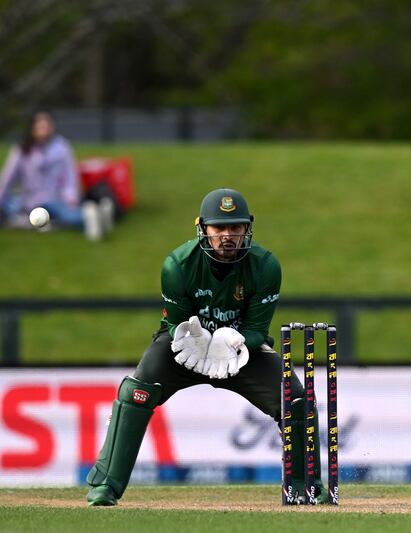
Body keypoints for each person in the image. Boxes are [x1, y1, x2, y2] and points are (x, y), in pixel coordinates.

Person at [85, 188, 328, 506]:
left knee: (295, 399)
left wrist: (236, 340)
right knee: (136, 392)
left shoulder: (266, 266)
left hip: (238, 351)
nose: (227, 236)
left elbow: (257, 330)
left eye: (235, 227)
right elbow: (174, 323)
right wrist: (190, 337)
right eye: (219, 228)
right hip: (186, 347)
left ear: (246, 229)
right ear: (203, 229)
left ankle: (305, 487)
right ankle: (106, 485)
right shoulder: (178, 265)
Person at [0, 111, 114, 241]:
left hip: (55, 197)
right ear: (32, 129)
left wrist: (71, 197)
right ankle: (95, 215)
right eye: (40, 127)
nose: (44, 130)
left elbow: (70, 175)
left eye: (46, 126)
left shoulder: (61, 147)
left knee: (65, 214)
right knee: (12, 206)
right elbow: (8, 178)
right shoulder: (22, 150)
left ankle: (93, 217)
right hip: (31, 202)